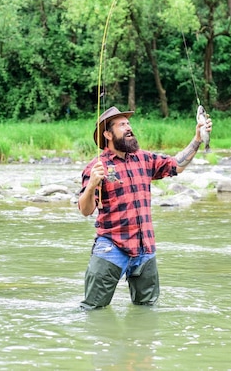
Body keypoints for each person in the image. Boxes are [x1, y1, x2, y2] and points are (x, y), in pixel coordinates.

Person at [77, 106, 212, 310]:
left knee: (147, 310)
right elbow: (85, 210)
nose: (129, 127)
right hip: (111, 248)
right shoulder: (96, 167)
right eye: (122, 124)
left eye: (129, 123)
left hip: (145, 249)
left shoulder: (144, 158)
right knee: (93, 310)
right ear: (108, 134)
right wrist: (91, 186)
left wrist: (198, 139)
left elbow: (176, 165)